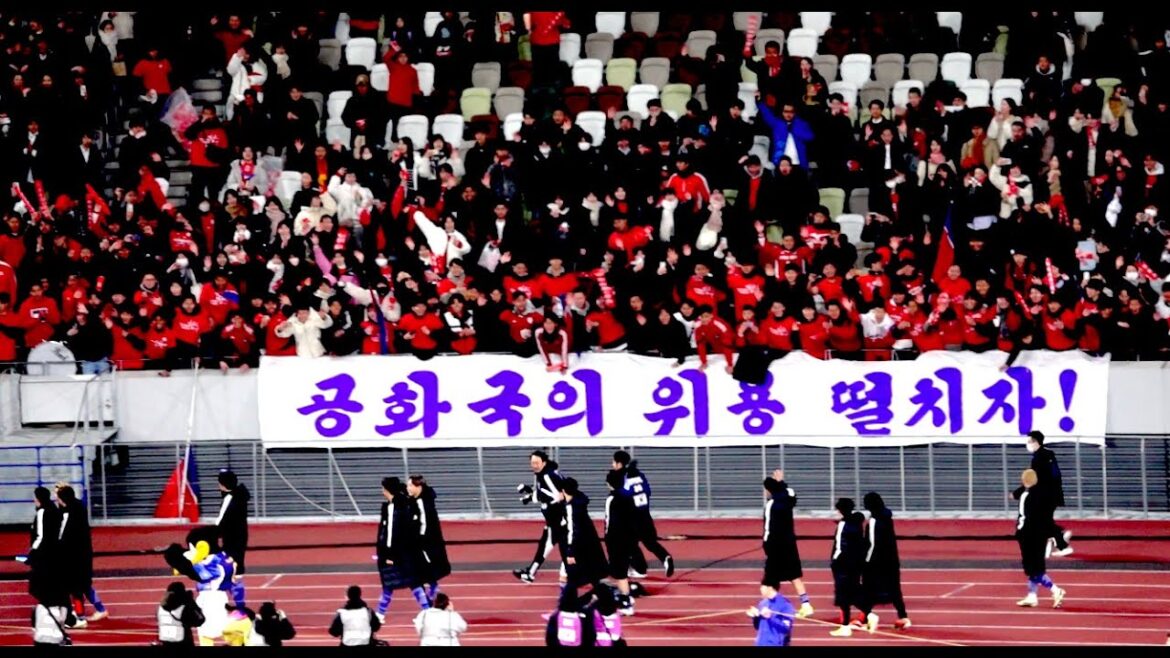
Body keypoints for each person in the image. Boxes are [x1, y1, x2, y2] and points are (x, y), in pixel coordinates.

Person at [611, 451, 674, 578]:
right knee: (650, 542)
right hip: (645, 513)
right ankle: (665, 558)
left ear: (619, 464)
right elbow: (647, 491)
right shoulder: (640, 475)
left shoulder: (621, 477)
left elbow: (622, 495)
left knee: (629, 543)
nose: (612, 464)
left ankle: (640, 569)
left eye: (613, 462)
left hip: (632, 516)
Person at [855, 492, 911, 632]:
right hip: (891, 559)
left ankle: (867, 616)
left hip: (876, 562)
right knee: (895, 590)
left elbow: (873, 544)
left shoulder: (874, 521)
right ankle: (903, 617)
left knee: (868, 588)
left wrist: (865, 562)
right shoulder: (886, 517)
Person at [762, 469, 814, 618]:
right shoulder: (788, 498)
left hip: (776, 545)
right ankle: (806, 604)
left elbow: (768, 528)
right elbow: (790, 493)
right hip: (789, 544)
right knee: (794, 575)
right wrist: (780, 482)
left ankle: (767, 606)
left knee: (768, 580)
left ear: (769, 490)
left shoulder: (771, 505)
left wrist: (766, 545)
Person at [1014, 430, 1073, 557]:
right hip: (1052, 494)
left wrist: (1017, 493)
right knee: (1045, 521)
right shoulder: (1049, 455)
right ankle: (1057, 539)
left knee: (1043, 521)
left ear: (1037, 442)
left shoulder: (1038, 459)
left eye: (1030, 441)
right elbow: (1056, 476)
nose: (1028, 444)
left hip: (1044, 496)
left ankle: (1062, 544)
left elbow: (1032, 479)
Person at [55, 485, 108, 623]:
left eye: (58, 498)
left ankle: (80, 616)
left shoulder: (68, 514)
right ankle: (100, 609)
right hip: (84, 553)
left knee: (75, 587)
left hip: (74, 555)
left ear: (62, 499)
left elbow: (62, 535)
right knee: (84, 584)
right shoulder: (78, 507)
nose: (56, 500)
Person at [1015, 469, 1067, 609]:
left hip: (1028, 535)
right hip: (1040, 535)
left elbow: (1024, 517)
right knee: (1036, 567)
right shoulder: (1043, 495)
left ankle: (1056, 590)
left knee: (1034, 569)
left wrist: (1020, 532)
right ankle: (1032, 596)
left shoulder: (1026, 495)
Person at [514, 450, 567, 583]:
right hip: (557, 519)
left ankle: (531, 574)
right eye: (532, 463)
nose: (534, 465)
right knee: (549, 547)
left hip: (556, 520)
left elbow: (555, 497)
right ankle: (530, 573)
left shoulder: (547, 476)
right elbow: (546, 493)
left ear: (544, 462)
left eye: (537, 463)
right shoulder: (545, 474)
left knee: (550, 548)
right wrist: (529, 493)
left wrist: (531, 497)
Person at [375, 477, 422, 624]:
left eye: (383, 488)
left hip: (396, 552)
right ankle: (427, 610)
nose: (382, 491)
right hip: (408, 551)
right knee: (413, 582)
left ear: (388, 490)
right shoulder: (405, 504)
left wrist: (389, 554)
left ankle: (380, 614)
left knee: (389, 582)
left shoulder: (393, 508)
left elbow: (390, 532)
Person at [558, 477, 609, 607]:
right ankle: (603, 597)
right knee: (593, 575)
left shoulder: (570, 507)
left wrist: (570, 551)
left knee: (572, 577)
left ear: (563, 491)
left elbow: (572, 530)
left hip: (578, 547)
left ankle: (567, 606)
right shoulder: (580, 502)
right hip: (590, 544)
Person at [407, 475, 451, 605]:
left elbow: (424, 523)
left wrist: (419, 540)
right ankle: (432, 598)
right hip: (423, 544)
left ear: (418, 487)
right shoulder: (416, 500)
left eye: (410, 485)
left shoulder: (422, 502)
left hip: (425, 545)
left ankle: (428, 606)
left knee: (416, 577)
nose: (407, 488)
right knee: (426, 574)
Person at [829, 497, 868, 637]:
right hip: (856, 563)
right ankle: (868, 615)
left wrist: (834, 561)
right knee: (854, 591)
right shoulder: (857, 523)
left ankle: (845, 626)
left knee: (843, 596)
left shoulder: (843, 525)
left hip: (843, 564)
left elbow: (840, 546)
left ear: (840, 510)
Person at [603, 469, 637, 615]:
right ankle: (625, 597)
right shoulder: (629, 498)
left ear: (609, 484)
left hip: (616, 540)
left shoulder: (611, 499)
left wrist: (607, 538)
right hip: (628, 539)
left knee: (620, 574)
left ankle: (626, 602)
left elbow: (609, 521)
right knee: (619, 572)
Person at [215, 469, 250, 607]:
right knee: (237, 569)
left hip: (231, 538)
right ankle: (240, 604)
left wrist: (210, 534)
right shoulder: (241, 495)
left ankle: (234, 604)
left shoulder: (230, 498)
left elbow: (220, 521)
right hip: (241, 536)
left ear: (223, 485)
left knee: (225, 569)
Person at [27, 487, 63, 612]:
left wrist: (32, 551)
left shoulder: (43, 512)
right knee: (49, 583)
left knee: (36, 585)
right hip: (54, 552)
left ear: (39, 498)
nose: (34, 500)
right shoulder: (54, 509)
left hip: (44, 554)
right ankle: (54, 606)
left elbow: (41, 535)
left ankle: (50, 606)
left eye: (35, 497)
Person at [747, 581, 796, 646]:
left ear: (770, 588)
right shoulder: (762, 603)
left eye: (762, 586)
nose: (760, 589)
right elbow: (758, 627)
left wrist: (770, 617)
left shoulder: (785, 604)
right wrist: (756, 616)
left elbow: (786, 628)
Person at [156, 582, 205, 646]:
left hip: (166, 641)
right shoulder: (183, 607)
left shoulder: (160, 608)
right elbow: (200, 620)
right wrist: (192, 603)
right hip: (183, 642)